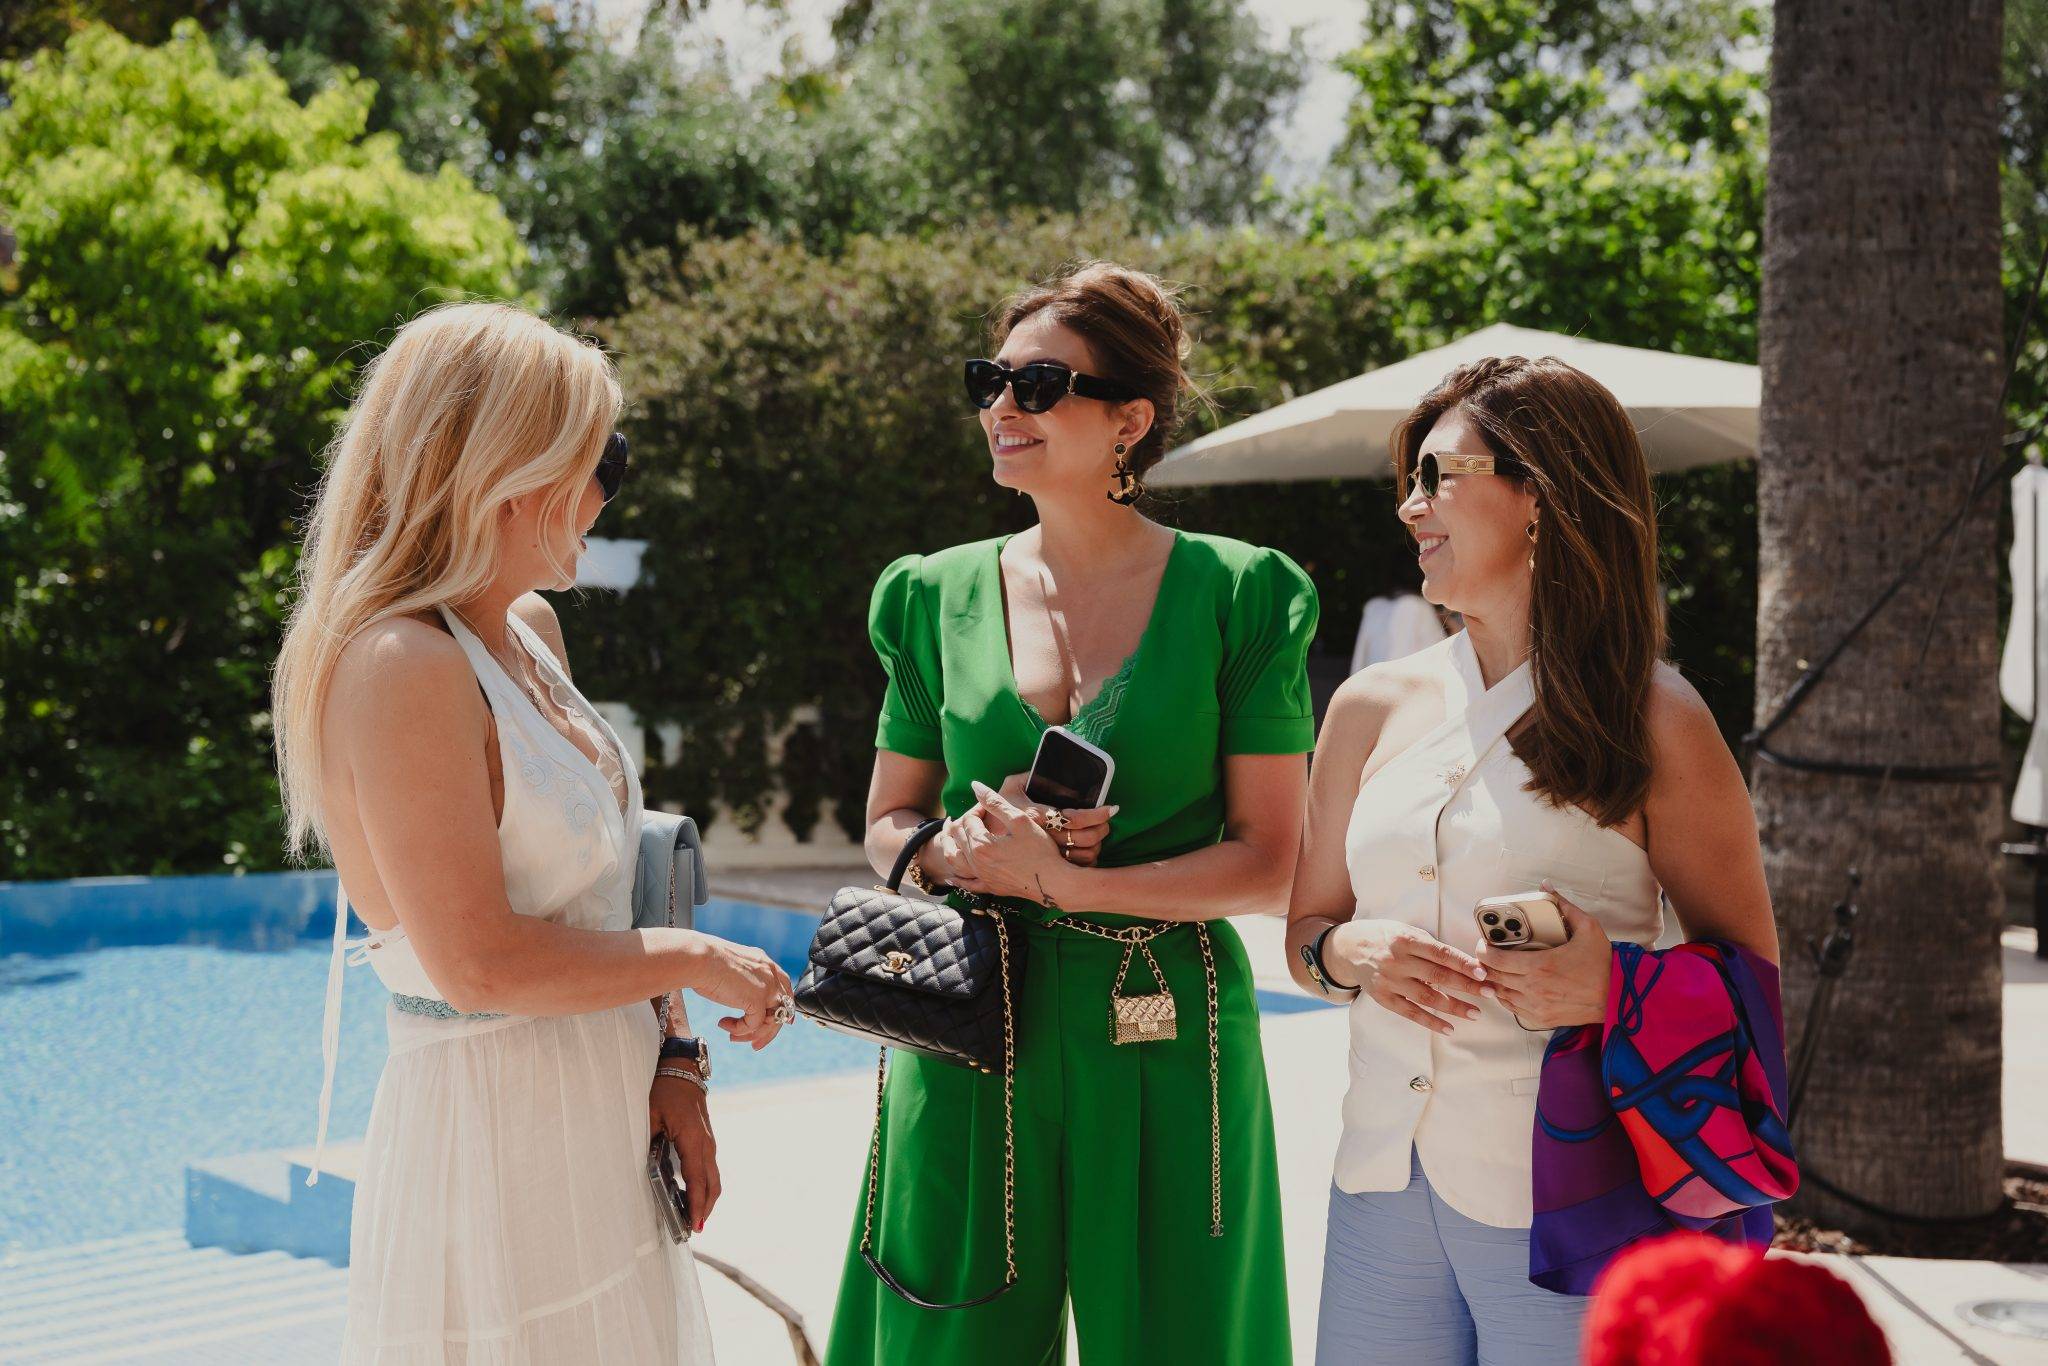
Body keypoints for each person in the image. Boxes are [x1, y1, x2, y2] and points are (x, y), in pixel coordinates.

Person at [272, 301, 794, 1362]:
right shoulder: (402, 664)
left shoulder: (528, 631)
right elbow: (477, 964)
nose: (609, 490)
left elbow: (607, 881)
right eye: (603, 459)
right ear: (510, 470)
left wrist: (676, 1056)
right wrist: (694, 954)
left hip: (606, 1108)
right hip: (496, 1136)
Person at [824, 261, 1317, 1365]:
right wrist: (953, 850)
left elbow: (1269, 861)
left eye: (1039, 384)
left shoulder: (1243, 593)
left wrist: (1068, 882)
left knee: (1182, 1343)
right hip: (965, 1017)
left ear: (1129, 421)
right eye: (989, 380)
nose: (1002, 405)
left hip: (1164, 1019)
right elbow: (889, 820)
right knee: (947, 1343)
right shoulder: (928, 593)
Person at [1284, 356, 1779, 1366]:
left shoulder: (1658, 717)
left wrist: (1611, 985)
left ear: (1540, 496)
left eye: (1437, 476)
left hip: (1578, 1207)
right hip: (1377, 1185)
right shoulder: (1366, 707)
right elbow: (1305, 933)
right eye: (1409, 481)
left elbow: (1753, 977)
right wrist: (1346, 955)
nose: (1409, 507)